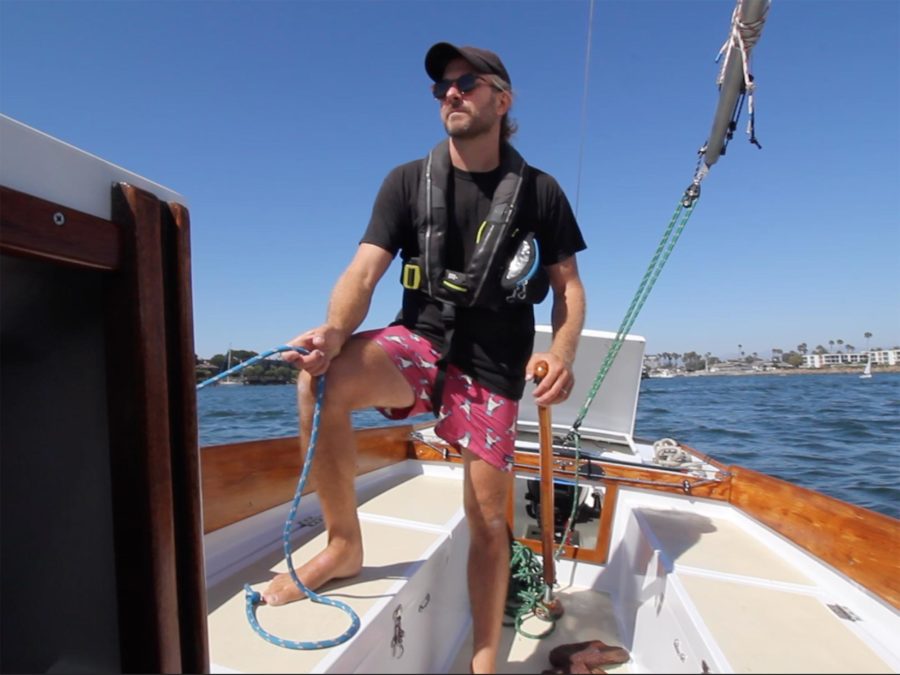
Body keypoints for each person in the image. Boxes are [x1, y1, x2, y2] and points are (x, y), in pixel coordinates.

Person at [263, 42, 587, 674]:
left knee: (489, 518)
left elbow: (570, 289)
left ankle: (485, 659)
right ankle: (343, 546)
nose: (451, 93)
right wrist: (333, 332)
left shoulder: (541, 192)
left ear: (503, 98)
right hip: (420, 343)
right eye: (442, 86)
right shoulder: (407, 181)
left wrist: (562, 351)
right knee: (318, 383)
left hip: (493, 364)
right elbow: (364, 271)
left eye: (467, 82)